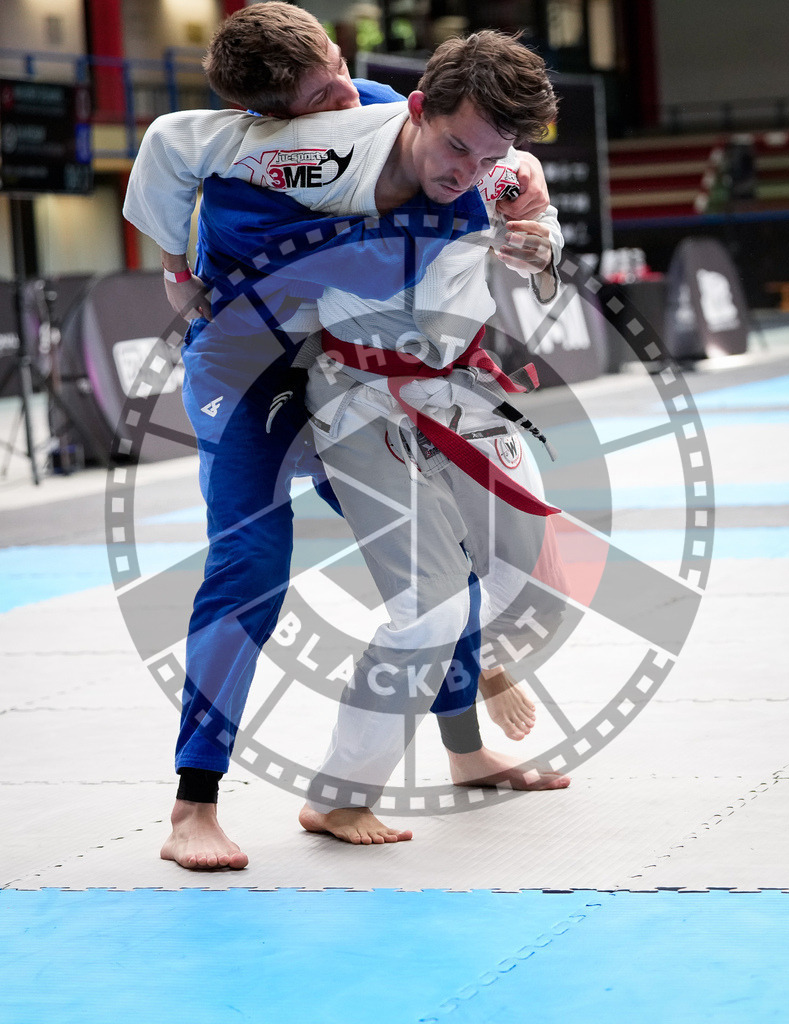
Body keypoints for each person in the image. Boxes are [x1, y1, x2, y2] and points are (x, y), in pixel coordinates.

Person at [124, 4, 567, 868]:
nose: (336, 96)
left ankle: (464, 742)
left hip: (344, 372)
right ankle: (193, 806)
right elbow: (170, 146)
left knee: (442, 549)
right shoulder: (258, 157)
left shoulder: (396, 113)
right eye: (311, 95)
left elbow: (504, 164)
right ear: (269, 112)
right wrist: (179, 271)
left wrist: (528, 203)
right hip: (248, 368)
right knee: (250, 566)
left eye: (336, 73)